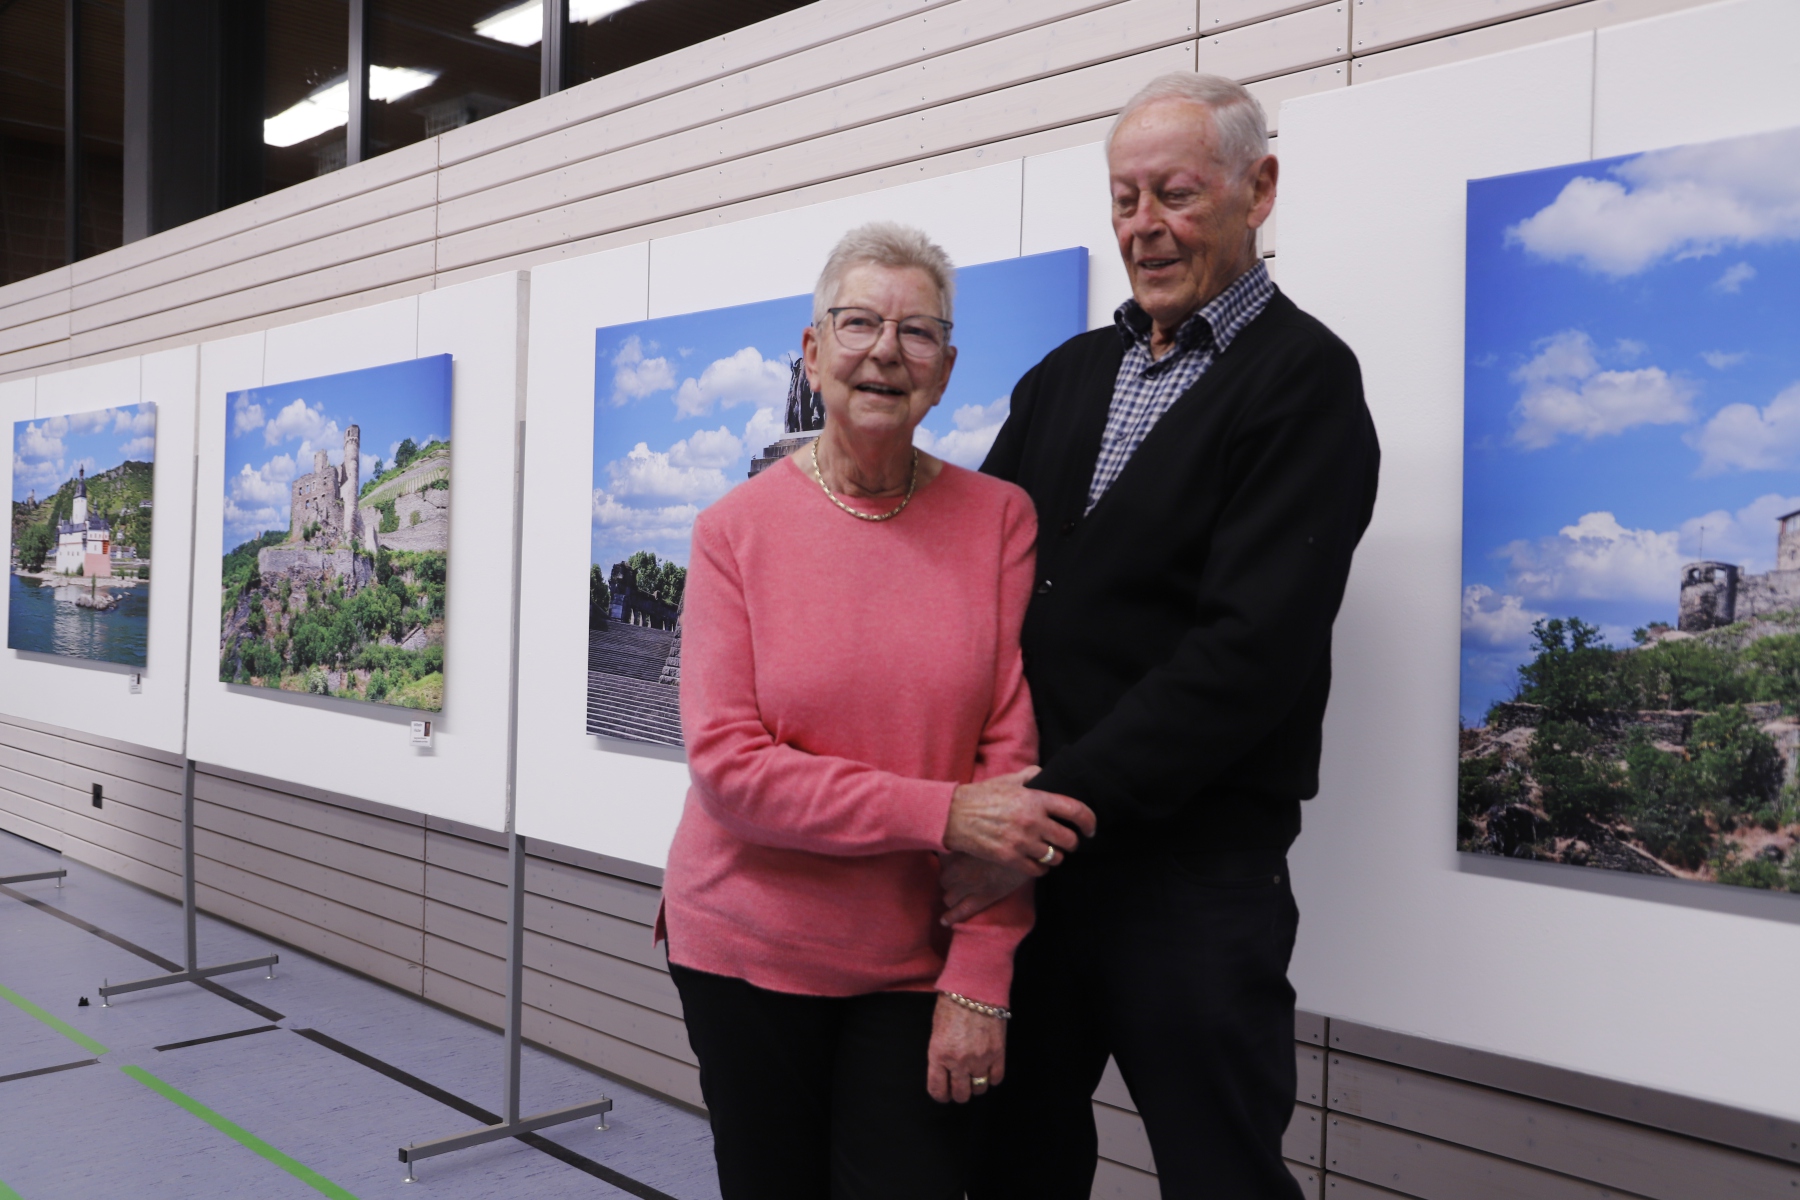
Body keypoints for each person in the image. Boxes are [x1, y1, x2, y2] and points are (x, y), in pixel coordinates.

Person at [951, 73, 1381, 1198]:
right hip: (1037, 874)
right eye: (1124, 196)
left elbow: (1247, 655)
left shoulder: (1306, 384)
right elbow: (970, 586)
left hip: (1191, 880)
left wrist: (1041, 806)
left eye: (1176, 194)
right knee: (1011, 1164)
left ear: (1258, 190)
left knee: (1220, 1171)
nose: (1144, 225)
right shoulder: (1063, 378)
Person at [660, 221, 1098, 1200]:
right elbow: (729, 770)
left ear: (946, 370)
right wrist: (942, 813)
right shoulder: (733, 531)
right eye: (858, 323)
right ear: (813, 352)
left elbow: (1009, 775)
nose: (886, 352)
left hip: (915, 959)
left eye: (917, 332)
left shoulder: (999, 520)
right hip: (744, 951)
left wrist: (982, 975)